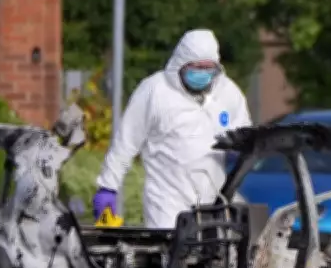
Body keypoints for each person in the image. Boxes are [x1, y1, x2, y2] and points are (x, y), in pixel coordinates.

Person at [92, 29, 253, 229]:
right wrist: (108, 186)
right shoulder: (155, 91)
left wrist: (238, 151)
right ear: (180, 64)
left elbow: (245, 135)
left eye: (208, 68)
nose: (203, 74)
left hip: (215, 203)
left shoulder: (228, 93)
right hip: (167, 203)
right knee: (170, 247)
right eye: (197, 67)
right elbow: (126, 142)